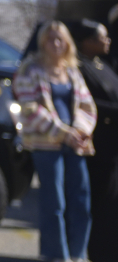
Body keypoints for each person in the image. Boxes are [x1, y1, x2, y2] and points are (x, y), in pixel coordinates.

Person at [13, 20, 96, 262]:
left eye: (60, 39)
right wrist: (62, 132)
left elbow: (87, 105)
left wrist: (79, 130)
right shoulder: (30, 69)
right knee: (54, 203)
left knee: (81, 200)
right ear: (42, 42)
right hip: (45, 144)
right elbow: (29, 108)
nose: (56, 43)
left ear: (68, 43)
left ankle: (77, 254)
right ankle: (54, 255)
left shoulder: (72, 71)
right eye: (51, 39)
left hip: (75, 144)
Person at [70, 20, 117, 262]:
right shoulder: (79, 69)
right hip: (98, 149)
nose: (107, 41)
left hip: (114, 151)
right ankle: (98, 253)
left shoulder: (104, 65)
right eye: (102, 37)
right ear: (87, 42)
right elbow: (87, 106)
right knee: (100, 205)